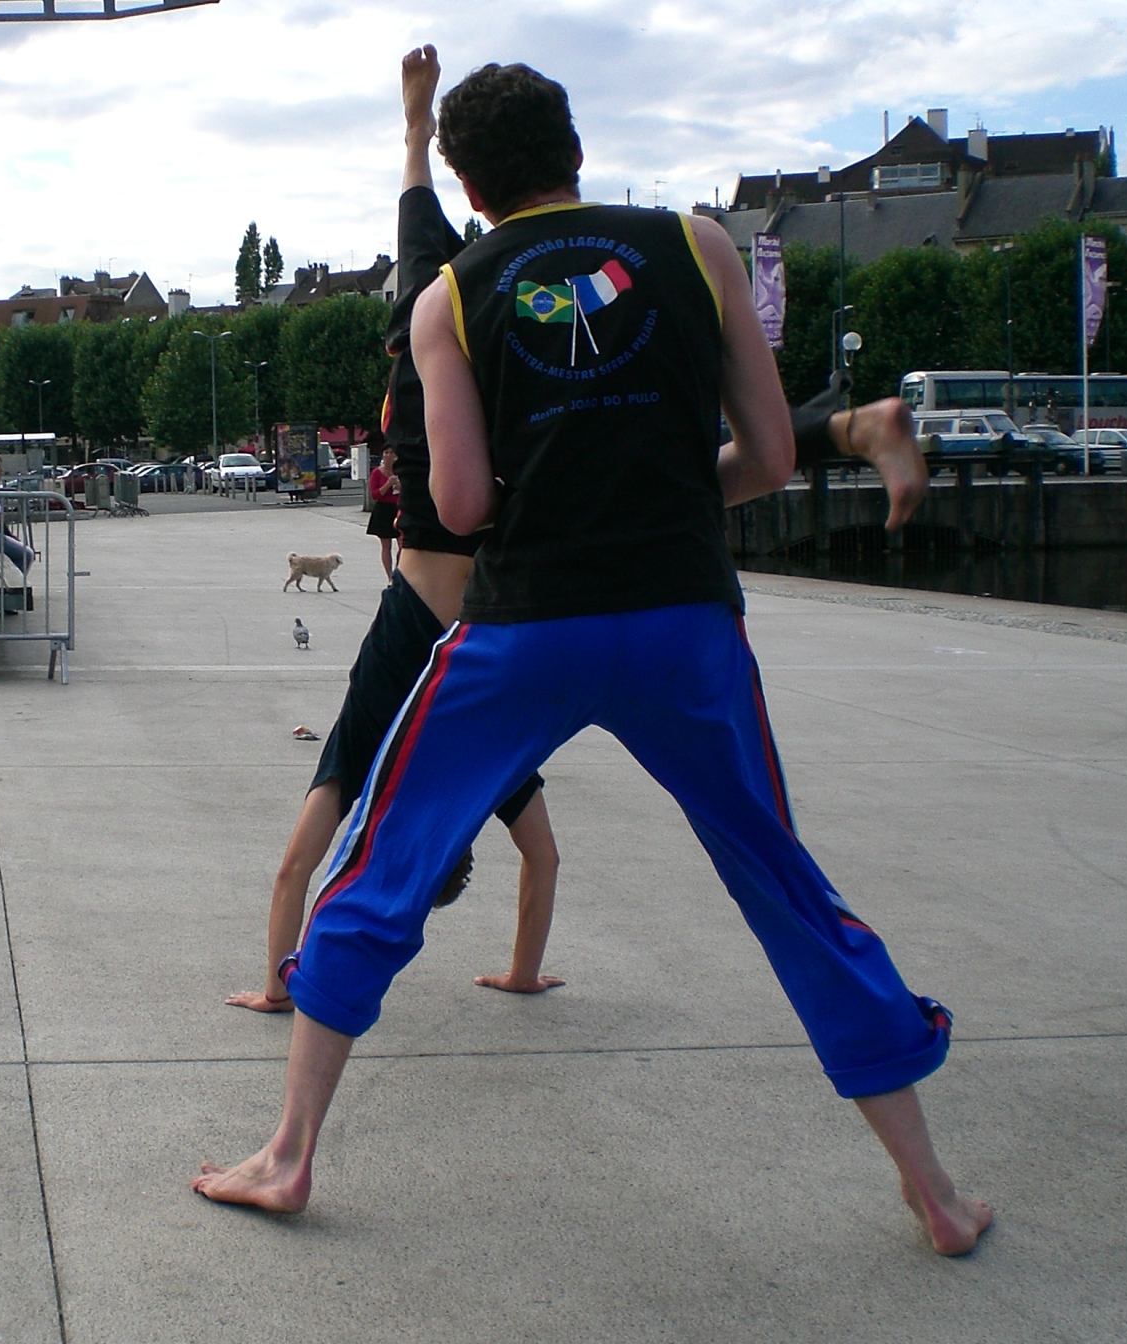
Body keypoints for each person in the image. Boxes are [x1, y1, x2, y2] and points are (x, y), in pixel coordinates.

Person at [198, 61, 990, 1259]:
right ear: (574, 146)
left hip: (525, 627)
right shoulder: (697, 244)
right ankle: (931, 1191)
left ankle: (288, 1154)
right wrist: (658, 497)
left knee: (383, 863)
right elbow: (771, 459)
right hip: (682, 622)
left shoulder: (449, 299)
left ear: (468, 187)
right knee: (781, 883)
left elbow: (460, 507)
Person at [225, 44, 564, 1020]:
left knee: (446, 286)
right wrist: (273, 986)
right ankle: (416, 132)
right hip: (451, 558)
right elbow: (298, 867)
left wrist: (524, 969)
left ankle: (417, 130)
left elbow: (541, 858)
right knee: (426, 268)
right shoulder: (457, 763)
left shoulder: (486, 775)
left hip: (464, 603)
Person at [364, 445, 401, 578]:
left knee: (402, 544)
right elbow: (375, 495)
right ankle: (389, 576)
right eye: (386, 452)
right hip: (384, 509)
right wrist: (388, 484)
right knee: (386, 546)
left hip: (399, 508)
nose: (389, 455)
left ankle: (398, 572)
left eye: (392, 452)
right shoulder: (377, 473)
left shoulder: (401, 471)